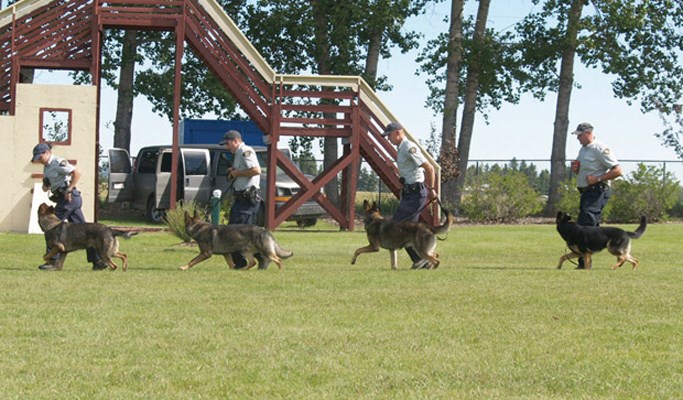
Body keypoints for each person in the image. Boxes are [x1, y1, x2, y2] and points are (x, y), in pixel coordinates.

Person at [31, 142, 107, 271]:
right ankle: (97, 261)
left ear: (47, 153)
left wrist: (69, 189)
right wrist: (46, 185)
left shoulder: (58, 162)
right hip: (65, 199)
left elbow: (77, 173)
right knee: (86, 232)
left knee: (52, 228)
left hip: (69, 199)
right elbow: (49, 181)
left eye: (40, 157)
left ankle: (52, 262)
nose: (39, 160)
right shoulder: (47, 166)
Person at [381, 121, 437, 269]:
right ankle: (425, 258)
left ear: (398, 132)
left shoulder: (408, 147)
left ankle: (422, 259)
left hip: (416, 193)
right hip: (409, 192)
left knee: (401, 228)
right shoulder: (401, 148)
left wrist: (431, 189)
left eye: (389, 135)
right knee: (400, 227)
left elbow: (429, 168)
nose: (388, 139)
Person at [570, 122, 623, 269]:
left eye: (579, 135)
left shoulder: (600, 148)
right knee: (592, 228)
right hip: (587, 192)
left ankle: (584, 263)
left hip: (597, 191)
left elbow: (618, 170)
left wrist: (598, 179)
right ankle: (620, 253)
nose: (577, 138)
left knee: (585, 226)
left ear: (588, 133)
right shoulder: (584, 149)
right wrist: (576, 169)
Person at [219, 130, 263, 269]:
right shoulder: (238, 154)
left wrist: (237, 173)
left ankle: (257, 259)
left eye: (227, 144)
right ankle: (241, 262)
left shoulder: (245, 151)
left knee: (241, 233)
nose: (227, 147)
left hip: (247, 200)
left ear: (235, 141)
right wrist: (234, 171)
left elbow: (256, 170)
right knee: (233, 231)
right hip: (241, 199)